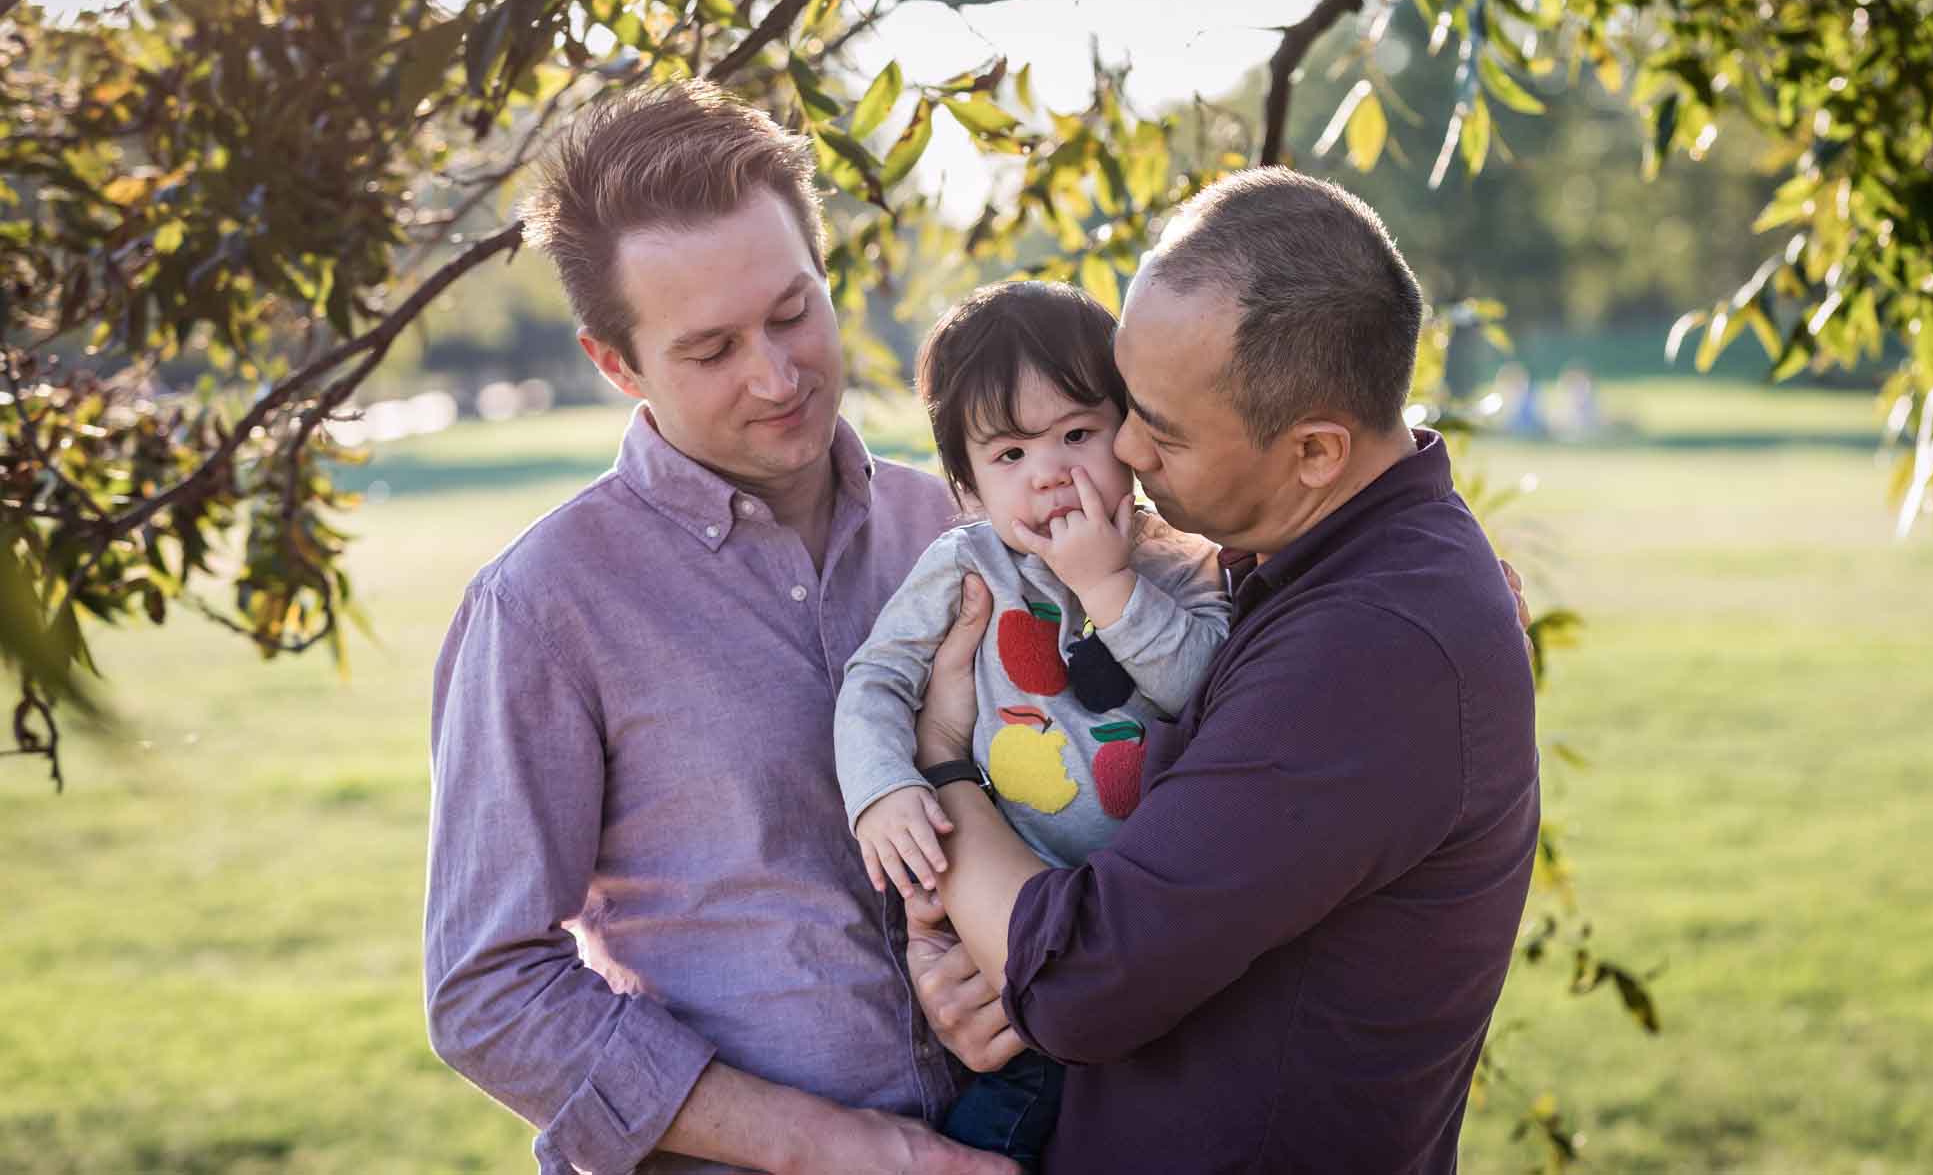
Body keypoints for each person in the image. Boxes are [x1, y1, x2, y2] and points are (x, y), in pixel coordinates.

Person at [423, 80, 1015, 1175]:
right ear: (616, 364)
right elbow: (487, 991)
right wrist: (832, 1148)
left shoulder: (961, 527)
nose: (776, 375)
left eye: (793, 312)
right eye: (710, 350)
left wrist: (1010, 976)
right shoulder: (542, 606)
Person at [911, 167, 1543, 1173]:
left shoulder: (1369, 648)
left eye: (1156, 428)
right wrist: (984, 957)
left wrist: (942, 766)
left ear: (1314, 452)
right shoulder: (1304, 562)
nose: (1117, 447)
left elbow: (1078, 980)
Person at [834, 281, 1231, 1167]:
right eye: (1009, 452)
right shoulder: (966, 561)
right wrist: (883, 788)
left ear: (1131, 436)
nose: (1050, 472)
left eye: (1077, 435)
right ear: (967, 487)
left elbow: (1203, 684)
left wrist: (1109, 586)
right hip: (1012, 920)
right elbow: (876, 681)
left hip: (1140, 919)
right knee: (1012, 1116)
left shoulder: (1181, 564)